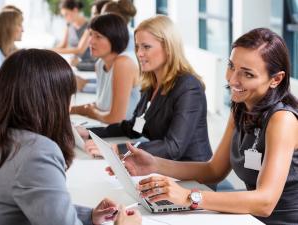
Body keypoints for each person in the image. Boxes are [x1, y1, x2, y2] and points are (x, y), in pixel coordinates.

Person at [117, 28, 298, 225]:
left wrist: (189, 197)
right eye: (231, 66)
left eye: (247, 74)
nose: (232, 80)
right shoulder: (240, 108)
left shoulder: (282, 120)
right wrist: (155, 164)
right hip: (248, 219)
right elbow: (214, 170)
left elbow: (265, 202)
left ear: (276, 79)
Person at [0, 49, 141, 225]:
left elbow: (33, 206)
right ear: (51, 99)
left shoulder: (9, 139)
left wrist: (87, 216)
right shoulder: (36, 152)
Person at [81, 15, 213, 163]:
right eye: (137, 46)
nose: (139, 53)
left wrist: (119, 149)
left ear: (169, 48)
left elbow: (173, 147)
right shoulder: (152, 84)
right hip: (161, 167)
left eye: (146, 47)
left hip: (191, 174)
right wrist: (90, 132)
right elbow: (135, 128)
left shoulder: (188, 87)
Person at [71, 14, 140, 124]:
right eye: (90, 35)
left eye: (98, 36)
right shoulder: (100, 64)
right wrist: (68, 110)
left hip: (131, 133)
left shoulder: (123, 63)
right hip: (113, 129)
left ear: (114, 38)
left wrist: (90, 112)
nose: (91, 41)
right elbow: (101, 106)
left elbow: (116, 118)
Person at [51, 0, 94, 66]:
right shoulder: (69, 25)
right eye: (63, 16)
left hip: (86, 63)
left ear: (75, 10)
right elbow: (63, 45)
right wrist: (49, 51)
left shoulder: (89, 26)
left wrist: (54, 51)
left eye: (66, 14)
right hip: (73, 61)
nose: (65, 18)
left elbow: (80, 50)